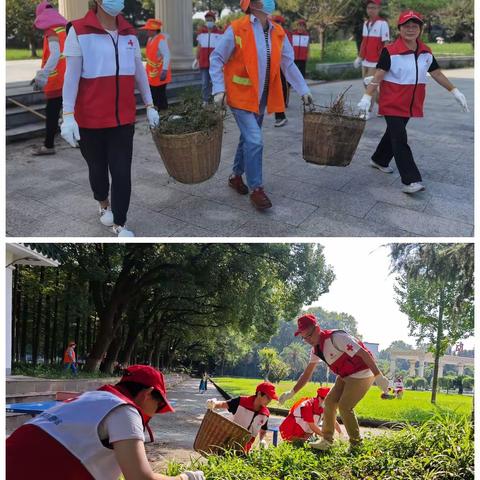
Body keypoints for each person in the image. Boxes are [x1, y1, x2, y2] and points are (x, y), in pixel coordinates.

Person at [60, 0, 160, 237]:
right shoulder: (78, 30)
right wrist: (67, 115)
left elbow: (139, 71)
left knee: (122, 171)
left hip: (123, 120)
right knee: (97, 169)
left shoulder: (129, 33)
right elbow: (71, 78)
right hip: (90, 120)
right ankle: (103, 203)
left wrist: (150, 105)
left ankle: (120, 223)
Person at [7, 365, 205, 480]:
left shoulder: (93, 397)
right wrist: (185, 478)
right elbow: (140, 478)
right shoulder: (124, 411)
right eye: (159, 404)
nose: (157, 411)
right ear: (147, 394)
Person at [210, 0, 313, 210]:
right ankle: (257, 189)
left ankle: (236, 176)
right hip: (240, 95)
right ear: (252, 4)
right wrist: (218, 89)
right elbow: (217, 58)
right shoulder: (238, 28)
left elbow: (288, 63)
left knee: (248, 137)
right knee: (255, 140)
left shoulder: (278, 31)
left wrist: (303, 90)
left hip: (262, 97)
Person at [357, 10, 469, 194]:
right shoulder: (390, 51)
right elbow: (378, 76)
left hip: (410, 103)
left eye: (414, 26)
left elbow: (436, 73)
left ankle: (379, 159)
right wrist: (367, 96)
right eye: (406, 26)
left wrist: (454, 90)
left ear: (420, 29)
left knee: (392, 135)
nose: (410, 29)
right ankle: (411, 180)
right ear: (399, 29)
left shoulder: (426, 51)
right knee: (400, 138)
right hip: (392, 102)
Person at [279, 314, 390, 451]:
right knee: (329, 403)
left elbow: (364, 354)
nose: (307, 340)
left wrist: (378, 375)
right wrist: (292, 392)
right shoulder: (316, 350)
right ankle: (327, 441)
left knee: (345, 406)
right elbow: (307, 374)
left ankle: (356, 444)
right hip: (345, 375)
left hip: (363, 373)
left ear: (317, 329)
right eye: (304, 337)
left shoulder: (336, 338)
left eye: (309, 335)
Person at [31, 1, 67, 156]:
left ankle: (49, 145)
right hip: (68, 78)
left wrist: (42, 75)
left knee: (52, 113)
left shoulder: (51, 31)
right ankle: (79, 140)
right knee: (70, 111)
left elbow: (55, 54)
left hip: (56, 81)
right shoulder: (64, 30)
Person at [206, 381, 278, 451]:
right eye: (268, 397)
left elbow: (263, 429)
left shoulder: (265, 413)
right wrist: (214, 404)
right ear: (259, 394)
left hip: (245, 448)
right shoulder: (241, 402)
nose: (269, 401)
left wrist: (262, 440)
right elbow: (223, 404)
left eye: (271, 399)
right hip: (228, 442)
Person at [353, 0, 389, 117]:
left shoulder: (382, 23)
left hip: (376, 60)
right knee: (367, 84)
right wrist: (359, 57)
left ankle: (367, 111)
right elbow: (364, 42)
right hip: (366, 60)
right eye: (369, 8)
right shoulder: (366, 23)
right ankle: (384, 106)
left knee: (370, 85)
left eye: (374, 8)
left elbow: (386, 43)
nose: (371, 10)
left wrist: (383, 60)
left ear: (378, 9)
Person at [193, 11, 223, 105]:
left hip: (215, 63)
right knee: (205, 83)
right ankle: (205, 100)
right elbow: (199, 47)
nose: (209, 21)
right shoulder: (201, 33)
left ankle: (216, 100)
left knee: (215, 82)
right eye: (207, 20)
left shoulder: (219, 33)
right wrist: (196, 59)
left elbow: (222, 48)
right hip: (204, 62)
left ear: (214, 20)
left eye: (210, 20)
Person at [142, 18, 171, 111]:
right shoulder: (150, 39)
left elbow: (167, 55)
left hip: (160, 73)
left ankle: (163, 115)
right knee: (154, 95)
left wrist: (165, 70)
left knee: (160, 95)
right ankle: (158, 115)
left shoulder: (160, 40)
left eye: (148, 29)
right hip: (152, 73)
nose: (147, 31)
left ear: (154, 30)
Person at [271, 15, 291, 128]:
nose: (277, 24)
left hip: (281, 65)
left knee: (281, 86)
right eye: (275, 22)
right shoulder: (267, 33)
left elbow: (288, 52)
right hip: (269, 66)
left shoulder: (284, 34)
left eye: (279, 22)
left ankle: (280, 113)